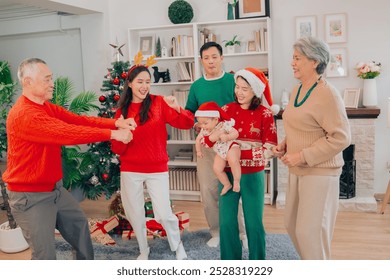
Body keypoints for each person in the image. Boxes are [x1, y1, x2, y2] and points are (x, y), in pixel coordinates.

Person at [2, 58, 134, 260]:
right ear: (28, 82)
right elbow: (67, 132)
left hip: (54, 189)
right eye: (46, 79)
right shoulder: (24, 115)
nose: (51, 83)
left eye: (51, 78)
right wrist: (113, 134)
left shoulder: (45, 106)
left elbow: (77, 120)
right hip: (30, 196)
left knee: (79, 226)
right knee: (45, 255)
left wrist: (116, 123)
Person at [272, 37, 351, 260]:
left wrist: (303, 155)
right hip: (298, 169)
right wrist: (286, 143)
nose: (292, 63)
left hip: (320, 172)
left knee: (310, 232)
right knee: (292, 225)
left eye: (297, 58)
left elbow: (341, 137)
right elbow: (302, 124)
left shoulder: (328, 94)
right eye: (293, 58)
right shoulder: (298, 90)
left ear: (315, 61)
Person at [110, 55, 194, 260]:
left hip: (157, 168)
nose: (145, 86)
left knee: (164, 213)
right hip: (131, 169)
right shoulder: (121, 111)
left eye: (148, 82)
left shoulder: (159, 103)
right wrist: (125, 134)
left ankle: (177, 246)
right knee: (135, 213)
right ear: (129, 84)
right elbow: (117, 148)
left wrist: (176, 108)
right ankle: (143, 250)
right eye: (140, 82)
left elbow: (187, 124)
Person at [185, 41, 247, 248]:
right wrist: (198, 126)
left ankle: (240, 233)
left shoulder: (233, 81)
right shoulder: (197, 86)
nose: (210, 61)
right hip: (207, 147)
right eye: (206, 58)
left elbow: (244, 107)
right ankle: (216, 232)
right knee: (209, 189)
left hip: (231, 145)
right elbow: (189, 114)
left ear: (221, 58)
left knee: (234, 188)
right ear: (201, 61)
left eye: (214, 57)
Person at [219, 67, 279, 260]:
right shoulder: (227, 110)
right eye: (237, 87)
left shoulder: (265, 114)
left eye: (245, 88)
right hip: (228, 174)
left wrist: (235, 153)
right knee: (227, 222)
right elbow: (217, 138)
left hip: (253, 175)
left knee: (254, 223)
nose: (239, 92)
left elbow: (269, 148)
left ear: (255, 91)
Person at [195, 101, 240, 195]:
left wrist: (227, 137)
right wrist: (198, 151)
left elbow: (235, 133)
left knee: (233, 160)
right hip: (220, 152)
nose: (203, 126)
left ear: (215, 119)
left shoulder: (223, 125)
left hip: (230, 146)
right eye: (200, 124)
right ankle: (227, 184)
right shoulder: (204, 130)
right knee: (216, 168)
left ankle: (236, 181)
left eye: (205, 123)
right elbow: (198, 140)